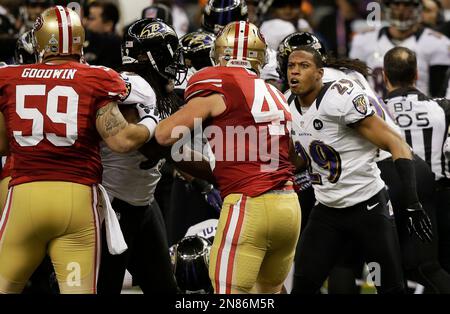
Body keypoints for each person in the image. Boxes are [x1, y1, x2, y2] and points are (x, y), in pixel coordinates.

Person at [0, 6, 158, 294]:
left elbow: (1, 143)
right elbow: (122, 141)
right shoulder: (96, 77)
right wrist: (150, 122)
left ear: (39, 40)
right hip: (76, 200)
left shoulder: (10, 77)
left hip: (24, 196)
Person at [280, 32, 450, 294]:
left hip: (367, 205)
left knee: (391, 286)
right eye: (291, 65)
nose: (295, 72)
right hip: (327, 208)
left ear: (320, 73)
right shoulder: (288, 102)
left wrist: (412, 200)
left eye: (304, 66)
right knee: (304, 281)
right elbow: (307, 150)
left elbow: (397, 143)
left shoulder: (339, 97)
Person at [155, 21, 300, 294]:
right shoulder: (276, 93)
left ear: (220, 53)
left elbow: (164, 135)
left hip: (250, 205)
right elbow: (289, 155)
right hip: (289, 208)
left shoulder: (219, 86)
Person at [97, 18, 186, 294]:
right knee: (105, 287)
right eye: (169, 52)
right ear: (151, 56)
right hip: (113, 206)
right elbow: (147, 146)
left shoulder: (154, 89)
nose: (175, 60)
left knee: (164, 288)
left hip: (142, 202)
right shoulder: (133, 85)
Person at [384, 46, 450, 276]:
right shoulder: (442, 107)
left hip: (390, 199)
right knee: (434, 269)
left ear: (384, 75)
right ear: (416, 75)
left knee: (395, 272)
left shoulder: (375, 113)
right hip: (438, 198)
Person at [350, 0, 450, 98]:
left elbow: (439, 94)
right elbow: (356, 87)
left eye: (407, 4)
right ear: (387, 5)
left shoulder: (438, 43)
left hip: (420, 111)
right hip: (376, 112)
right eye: (396, 4)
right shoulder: (364, 40)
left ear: (418, 7)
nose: (401, 10)